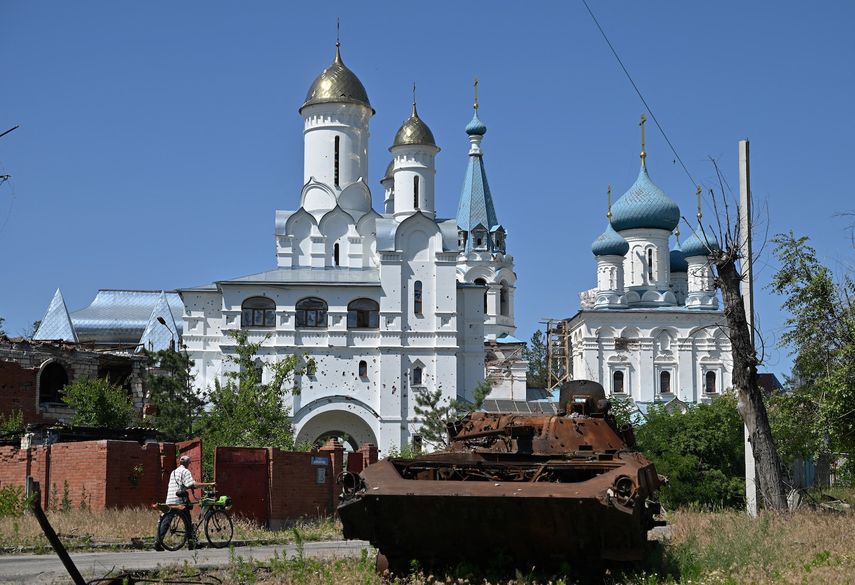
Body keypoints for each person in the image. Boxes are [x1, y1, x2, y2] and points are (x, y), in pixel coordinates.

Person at [154, 454, 214, 551]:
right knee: (187, 519)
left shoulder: (173, 472)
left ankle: (157, 542)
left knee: (166, 520)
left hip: (170, 499)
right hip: (179, 501)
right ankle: (191, 543)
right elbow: (191, 484)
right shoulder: (185, 471)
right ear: (188, 463)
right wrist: (208, 484)